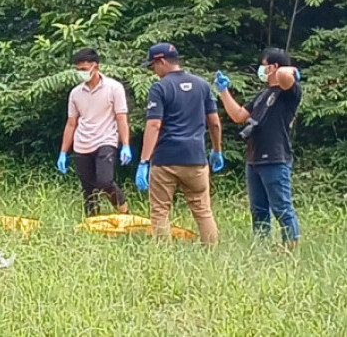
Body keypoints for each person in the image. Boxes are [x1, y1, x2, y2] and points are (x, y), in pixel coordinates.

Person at [135, 43, 224, 246]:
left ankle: (164, 256)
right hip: (196, 158)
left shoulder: (160, 87)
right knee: (202, 210)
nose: (154, 71)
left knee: (160, 211)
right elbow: (215, 122)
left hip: (166, 159)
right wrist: (217, 150)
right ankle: (211, 253)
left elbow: (154, 125)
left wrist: (143, 160)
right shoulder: (202, 85)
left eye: (153, 66)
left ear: (162, 62)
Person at [215, 48, 301, 250]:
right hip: (254, 158)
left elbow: (284, 76)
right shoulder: (262, 95)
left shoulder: (289, 92)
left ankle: (290, 247)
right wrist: (223, 91)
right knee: (258, 209)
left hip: (275, 157)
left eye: (264, 65)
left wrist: (291, 70)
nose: (261, 69)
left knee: (281, 206)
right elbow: (238, 116)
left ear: (274, 67)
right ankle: (261, 247)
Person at [57, 48, 133, 216]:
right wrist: (63, 151)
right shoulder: (76, 93)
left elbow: (121, 117)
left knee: (105, 181)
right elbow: (71, 124)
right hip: (82, 143)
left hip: (106, 140)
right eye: (78, 70)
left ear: (95, 67)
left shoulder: (114, 88)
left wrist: (126, 145)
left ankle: (124, 213)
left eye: (84, 69)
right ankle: (93, 222)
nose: (81, 73)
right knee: (88, 188)